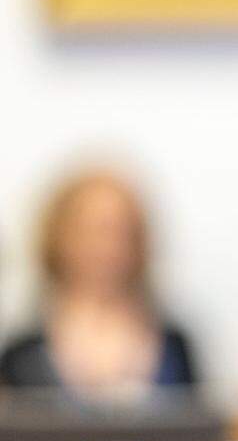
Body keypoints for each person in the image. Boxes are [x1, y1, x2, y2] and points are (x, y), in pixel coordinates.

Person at [0, 169, 195, 401]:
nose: (107, 248)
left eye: (121, 232)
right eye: (92, 231)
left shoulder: (175, 346)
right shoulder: (23, 354)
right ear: (58, 238)